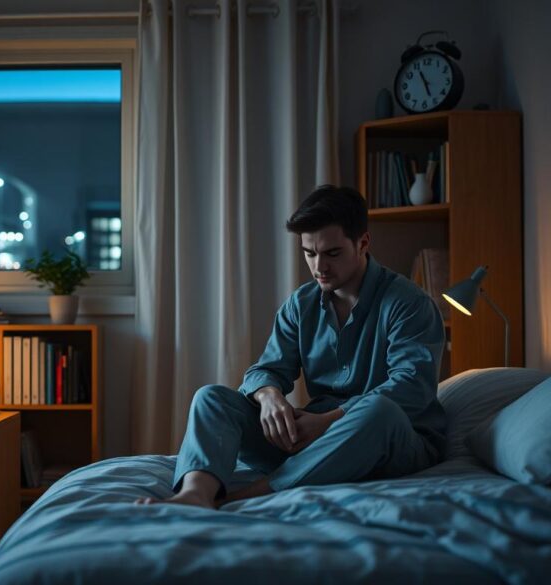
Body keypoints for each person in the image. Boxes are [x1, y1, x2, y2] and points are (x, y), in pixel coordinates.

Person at [136, 185, 447, 508]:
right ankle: (195, 494)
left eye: (332, 253)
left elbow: (412, 387)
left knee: (378, 411)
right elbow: (266, 370)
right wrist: (268, 396)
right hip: (316, 439)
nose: (319, 267)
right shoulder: (301, 304)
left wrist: (329, 420)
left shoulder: (409, 303)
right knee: (211, 398)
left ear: (363, 243)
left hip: (392, 440)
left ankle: (248, 497)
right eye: (309, 253)